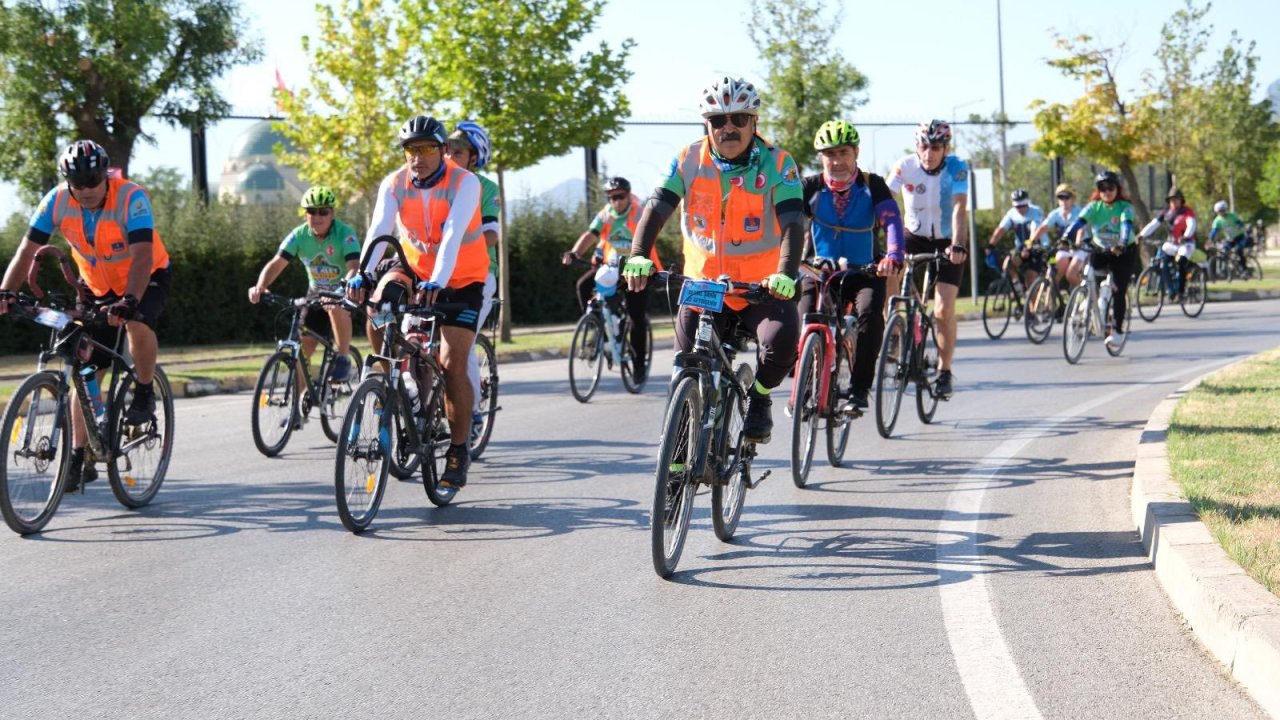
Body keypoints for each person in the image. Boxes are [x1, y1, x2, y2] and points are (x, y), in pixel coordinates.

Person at [622, 75, 805, 443]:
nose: (728, 128)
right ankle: (674, 473)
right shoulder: (688, 159)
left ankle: (760, 398)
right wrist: (639, 255)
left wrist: (785, 273)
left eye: (738, 118)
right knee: (684, 372)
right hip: (704, 286)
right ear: (706, 124)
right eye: (718, 120)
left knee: (783, 342)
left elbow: (792, 223)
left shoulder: (778, 163)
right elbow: (657, 208)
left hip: (762, 287)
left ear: (754, 121)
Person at [0, 140, 171, 491]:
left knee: (137, 320)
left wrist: (129, 300)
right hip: (95, 286)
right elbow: (26, 249)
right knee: (85, 365)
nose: (87, 189)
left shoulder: (131, 197)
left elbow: (141, 256)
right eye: (78, 183)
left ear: (105, 174)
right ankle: (78, 457)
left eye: (94, 180)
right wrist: (5, 291)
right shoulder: (57, 200)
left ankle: (142, 391)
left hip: (146, 277)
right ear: (68, 181)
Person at [347, 115, 489, 488]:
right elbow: (379, 230)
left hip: (461, 278)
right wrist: (363, 273)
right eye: (411, 149)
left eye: (427, 148)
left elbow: (455, 235)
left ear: (443, 151)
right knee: (377, 304)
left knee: (451, 363)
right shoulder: (393, 183)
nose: (418, 157)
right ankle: (386, 376)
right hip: (412, 267)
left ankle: (458, 449)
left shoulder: (465, 181)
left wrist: (437, 282)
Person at [798, 119, 903, 411]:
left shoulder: (873, 185)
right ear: (821, 157)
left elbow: (891, 220)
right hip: (820, 271)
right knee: (804, 314)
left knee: (870, 315)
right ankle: (805, 379)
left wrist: (893, 254)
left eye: (843, 152)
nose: (837, 160)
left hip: (865, 271)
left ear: (856, 152)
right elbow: (786, 223)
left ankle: (858, 389)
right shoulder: (810, 187)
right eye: (830, 154)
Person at [248, 185, 360, 425]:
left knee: (335, 306)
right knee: (303, 350)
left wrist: (343, 289)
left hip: (343, 290)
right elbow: (277, 262)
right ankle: (297, 412)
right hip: (315, 293)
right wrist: (260, 286)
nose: (317, 217)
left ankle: (342, 357)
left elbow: (354, 267)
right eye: (312, 211)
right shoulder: (299, 235)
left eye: (323, 211)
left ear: (332, 213)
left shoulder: (345, 233)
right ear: (305, 213)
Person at [886, 119, 969, 398]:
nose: (929, 153)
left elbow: (959, 209)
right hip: (914, 234)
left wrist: (958, 244)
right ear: (916, 146)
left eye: (935, 147)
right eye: (924, 146)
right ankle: (896, 332)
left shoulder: (958, 167)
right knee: (889, 270)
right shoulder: (905, 166)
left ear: (946, 148)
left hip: (948, 240)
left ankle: (945, 372)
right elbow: (887, 200)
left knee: (943, 310)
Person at [561, 176, 663, 382]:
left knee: (636, 317)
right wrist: (574, 252)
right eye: (611, 197)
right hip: (611, 267)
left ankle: (639, 365)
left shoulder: (639, 213)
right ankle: (597, 327)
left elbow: (650, 235)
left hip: (637, 267)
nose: (616, 201)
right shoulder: (606, 214)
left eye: (620, 196)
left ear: (628, 195)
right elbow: (590, 234)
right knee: (583, 285)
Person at [444, 121, 502, 442]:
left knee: (459, 347)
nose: (450, 156)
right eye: (447, 150)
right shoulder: (435, 184)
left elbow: (492, 233)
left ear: (474, 158)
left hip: (478, 275)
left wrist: (459, 242)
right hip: (435, 275)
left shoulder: (485, 187)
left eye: (458, 152)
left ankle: (472, 412)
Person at [1064, 170, 1136, 347]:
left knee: (1119, 290)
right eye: (1102, 188)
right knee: (1087, 272)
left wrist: (1122, 242)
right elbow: (1078, 223)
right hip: (1101, 248)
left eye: (1110, 187)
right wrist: (1065, 238)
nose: (1106, 191)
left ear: (1117, 188)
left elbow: (1126, 226)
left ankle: (1117, 330)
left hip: (1123, 251)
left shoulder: (1125, 207)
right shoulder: (1093, 207)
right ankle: (1086, 301)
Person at [1138, 187, 1197, 298]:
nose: (1173, 202)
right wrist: (1141, 235)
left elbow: (1191, 224)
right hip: (1173, 244)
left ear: (1181, 200)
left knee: (1181, 262)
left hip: (1186, 244)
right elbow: (1153, 224)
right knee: (1163, 262)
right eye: (1171, 200)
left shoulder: (1187, 212)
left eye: (1176, 199)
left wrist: (1186, 236)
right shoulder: (1166, 212)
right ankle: (1170, 290)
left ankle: (1181, 291)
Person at [1030, 183, 1086, 288]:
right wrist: (1031, 242)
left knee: (1071, 275)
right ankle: (1050, 302)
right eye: (1060, 197)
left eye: (1067, 197)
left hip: (1081, 248)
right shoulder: (1056, 213)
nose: (1064, 200)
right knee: (1054, 275)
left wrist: (1078, 243)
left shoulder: (1079, 212)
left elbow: (1080, 231)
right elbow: (1043, 228)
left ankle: (1087, 294)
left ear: (1073, 199)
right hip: (1065, 248)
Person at [986, 189, 1045, 290]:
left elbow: (1035, 229)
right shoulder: (1011, 214)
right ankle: (1017, 286)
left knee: (1030, 278)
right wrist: (991, 245)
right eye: (1017, 206)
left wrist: (1029, 245)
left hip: (1036, 246)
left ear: (1027, 203)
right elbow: (1001, 230)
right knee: (1007, 265)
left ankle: (1033, 303)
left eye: (1023, 206)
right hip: (1020, 247)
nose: (1020, 209)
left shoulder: (1036, 211)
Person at [1209, 200, 1250, 275]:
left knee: (1238, 250)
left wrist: (1239, 225)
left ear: (1225, 209)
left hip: (1240, 236)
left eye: (1222, 210)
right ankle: (1226, 268)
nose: (1221, 212)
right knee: (1224, 251)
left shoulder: (1232, 215)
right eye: (1219, 211)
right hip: (1230, 238)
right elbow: (1214, 231)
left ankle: (1245, 269)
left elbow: (1240, 222)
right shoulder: (1217, 221)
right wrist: (1211, 240)